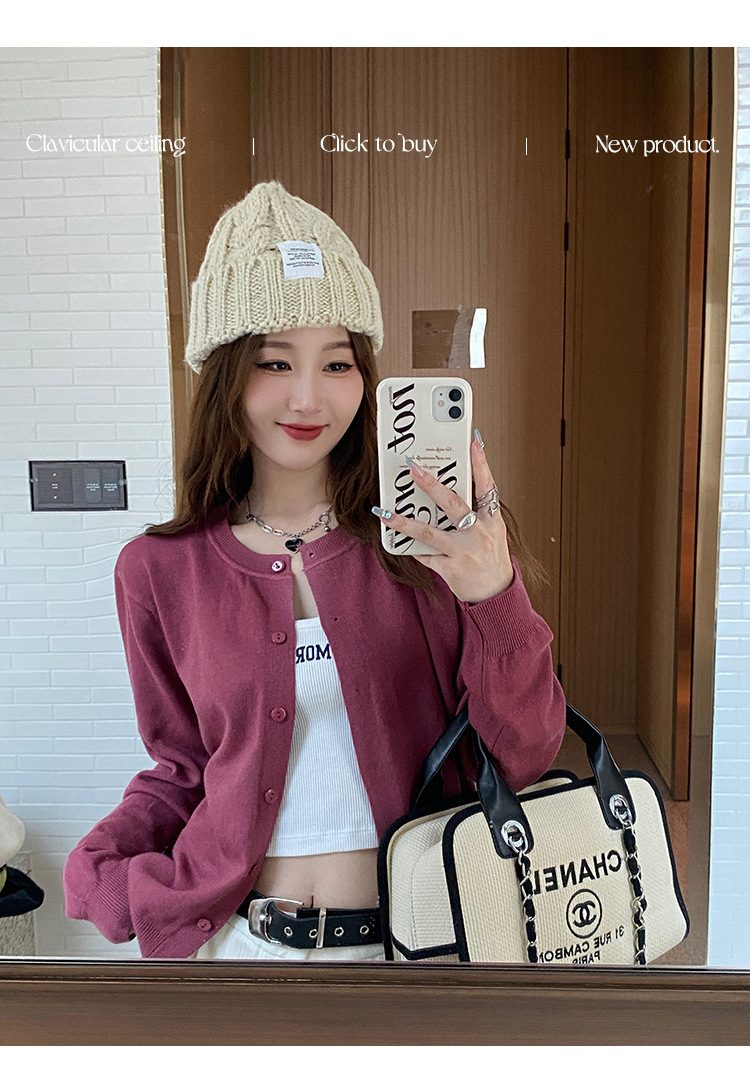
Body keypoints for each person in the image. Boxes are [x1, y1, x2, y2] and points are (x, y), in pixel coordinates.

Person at [63, 180, 566, 962]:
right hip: (244, 948)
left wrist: (495, 595)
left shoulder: (428, 547)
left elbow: (525, 752)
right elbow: (185, 767)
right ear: (226, 373)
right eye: (274, 361)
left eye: (337, 362)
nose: (308, 397)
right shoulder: (159, 571)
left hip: (423, 948)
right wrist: (103, 873)